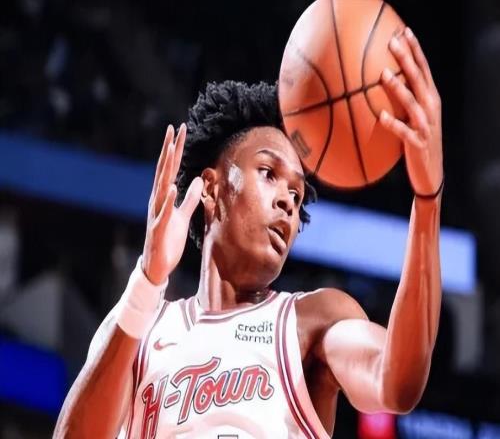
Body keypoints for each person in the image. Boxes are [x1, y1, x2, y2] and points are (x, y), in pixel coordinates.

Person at [54, 28, 443, 439]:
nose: (288, 201)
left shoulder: (309, 321)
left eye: (296, 194)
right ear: (212, 187)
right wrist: (147, 283)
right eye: (269, 173)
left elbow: (397, 383)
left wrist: (427, 200)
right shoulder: (143, 325)